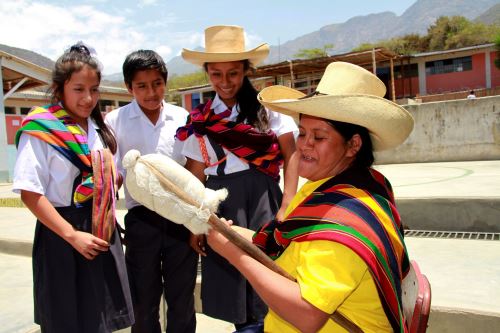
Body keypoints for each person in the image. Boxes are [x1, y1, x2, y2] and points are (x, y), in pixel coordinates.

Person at [207, 61, 415, 333]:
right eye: (303, 133)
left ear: (353, 144)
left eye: (319, 137)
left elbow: (308, 314)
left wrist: (233, 252)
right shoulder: (330, 187)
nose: (304, 144)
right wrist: (227, 233)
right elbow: (275, 238)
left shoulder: (346, 222)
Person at [176, 25, 298, 331]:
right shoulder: (201, 119)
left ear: (246, 70)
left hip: (262, 197)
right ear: (207, 73)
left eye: (233, 73)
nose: (225, 81)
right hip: (219, 201)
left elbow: (292, 155)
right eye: (216, 74)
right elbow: (195, 174)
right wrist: (195, 223)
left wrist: (287, 204)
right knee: (232, 276)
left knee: (266, 269)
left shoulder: (269, 109)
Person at [12, 42, 134, 332]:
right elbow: (30, 193)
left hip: (101, 232)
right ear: (59, 89)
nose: (88, 98)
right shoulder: (42, 129)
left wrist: (108, 181)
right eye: (78, 89)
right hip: (62, 235)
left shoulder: (99, 130)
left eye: (94, 90)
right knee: (66, 319)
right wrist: (72, 235)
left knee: (101, 320)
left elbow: (108, 175)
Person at [104, 50, 197, 333]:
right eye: (141, 86)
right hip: (141, 222)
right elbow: (111, 174)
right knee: (143, 300)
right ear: (128, 87)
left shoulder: (182, 117)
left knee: (181, 298)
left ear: (165, 82)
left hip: (181, 218)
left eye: (157, 83)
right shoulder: (115, 121)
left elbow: (194, 169)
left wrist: (196, 221)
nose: (151, 92)